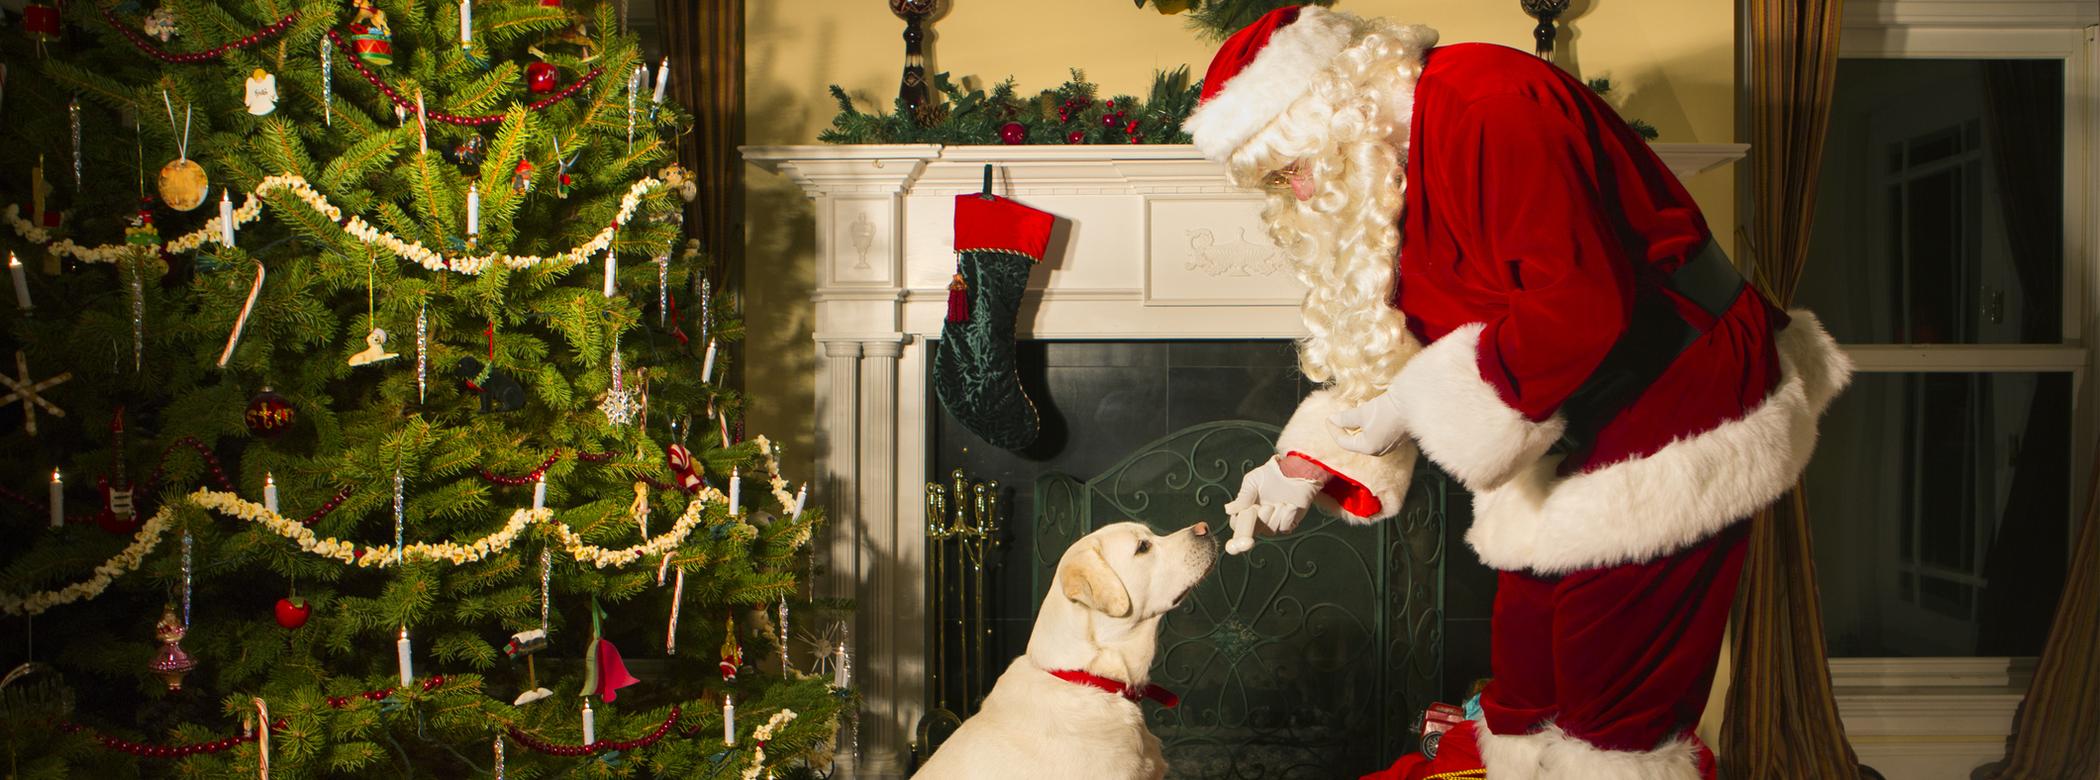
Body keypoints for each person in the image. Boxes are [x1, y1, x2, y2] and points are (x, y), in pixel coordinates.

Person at [1183, 7, 1852, 779]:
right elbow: (1410, 348)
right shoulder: (1389, 167)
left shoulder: (1487, 104)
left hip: (1674, 399)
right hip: (1570, 415)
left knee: (1614, 719)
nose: (1299, 190)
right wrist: (1307, 463)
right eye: (1275, 180)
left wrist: (1414, 403)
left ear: (1339, 103)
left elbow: (1580, 304)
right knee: (1525, 698)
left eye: (1291, 163)